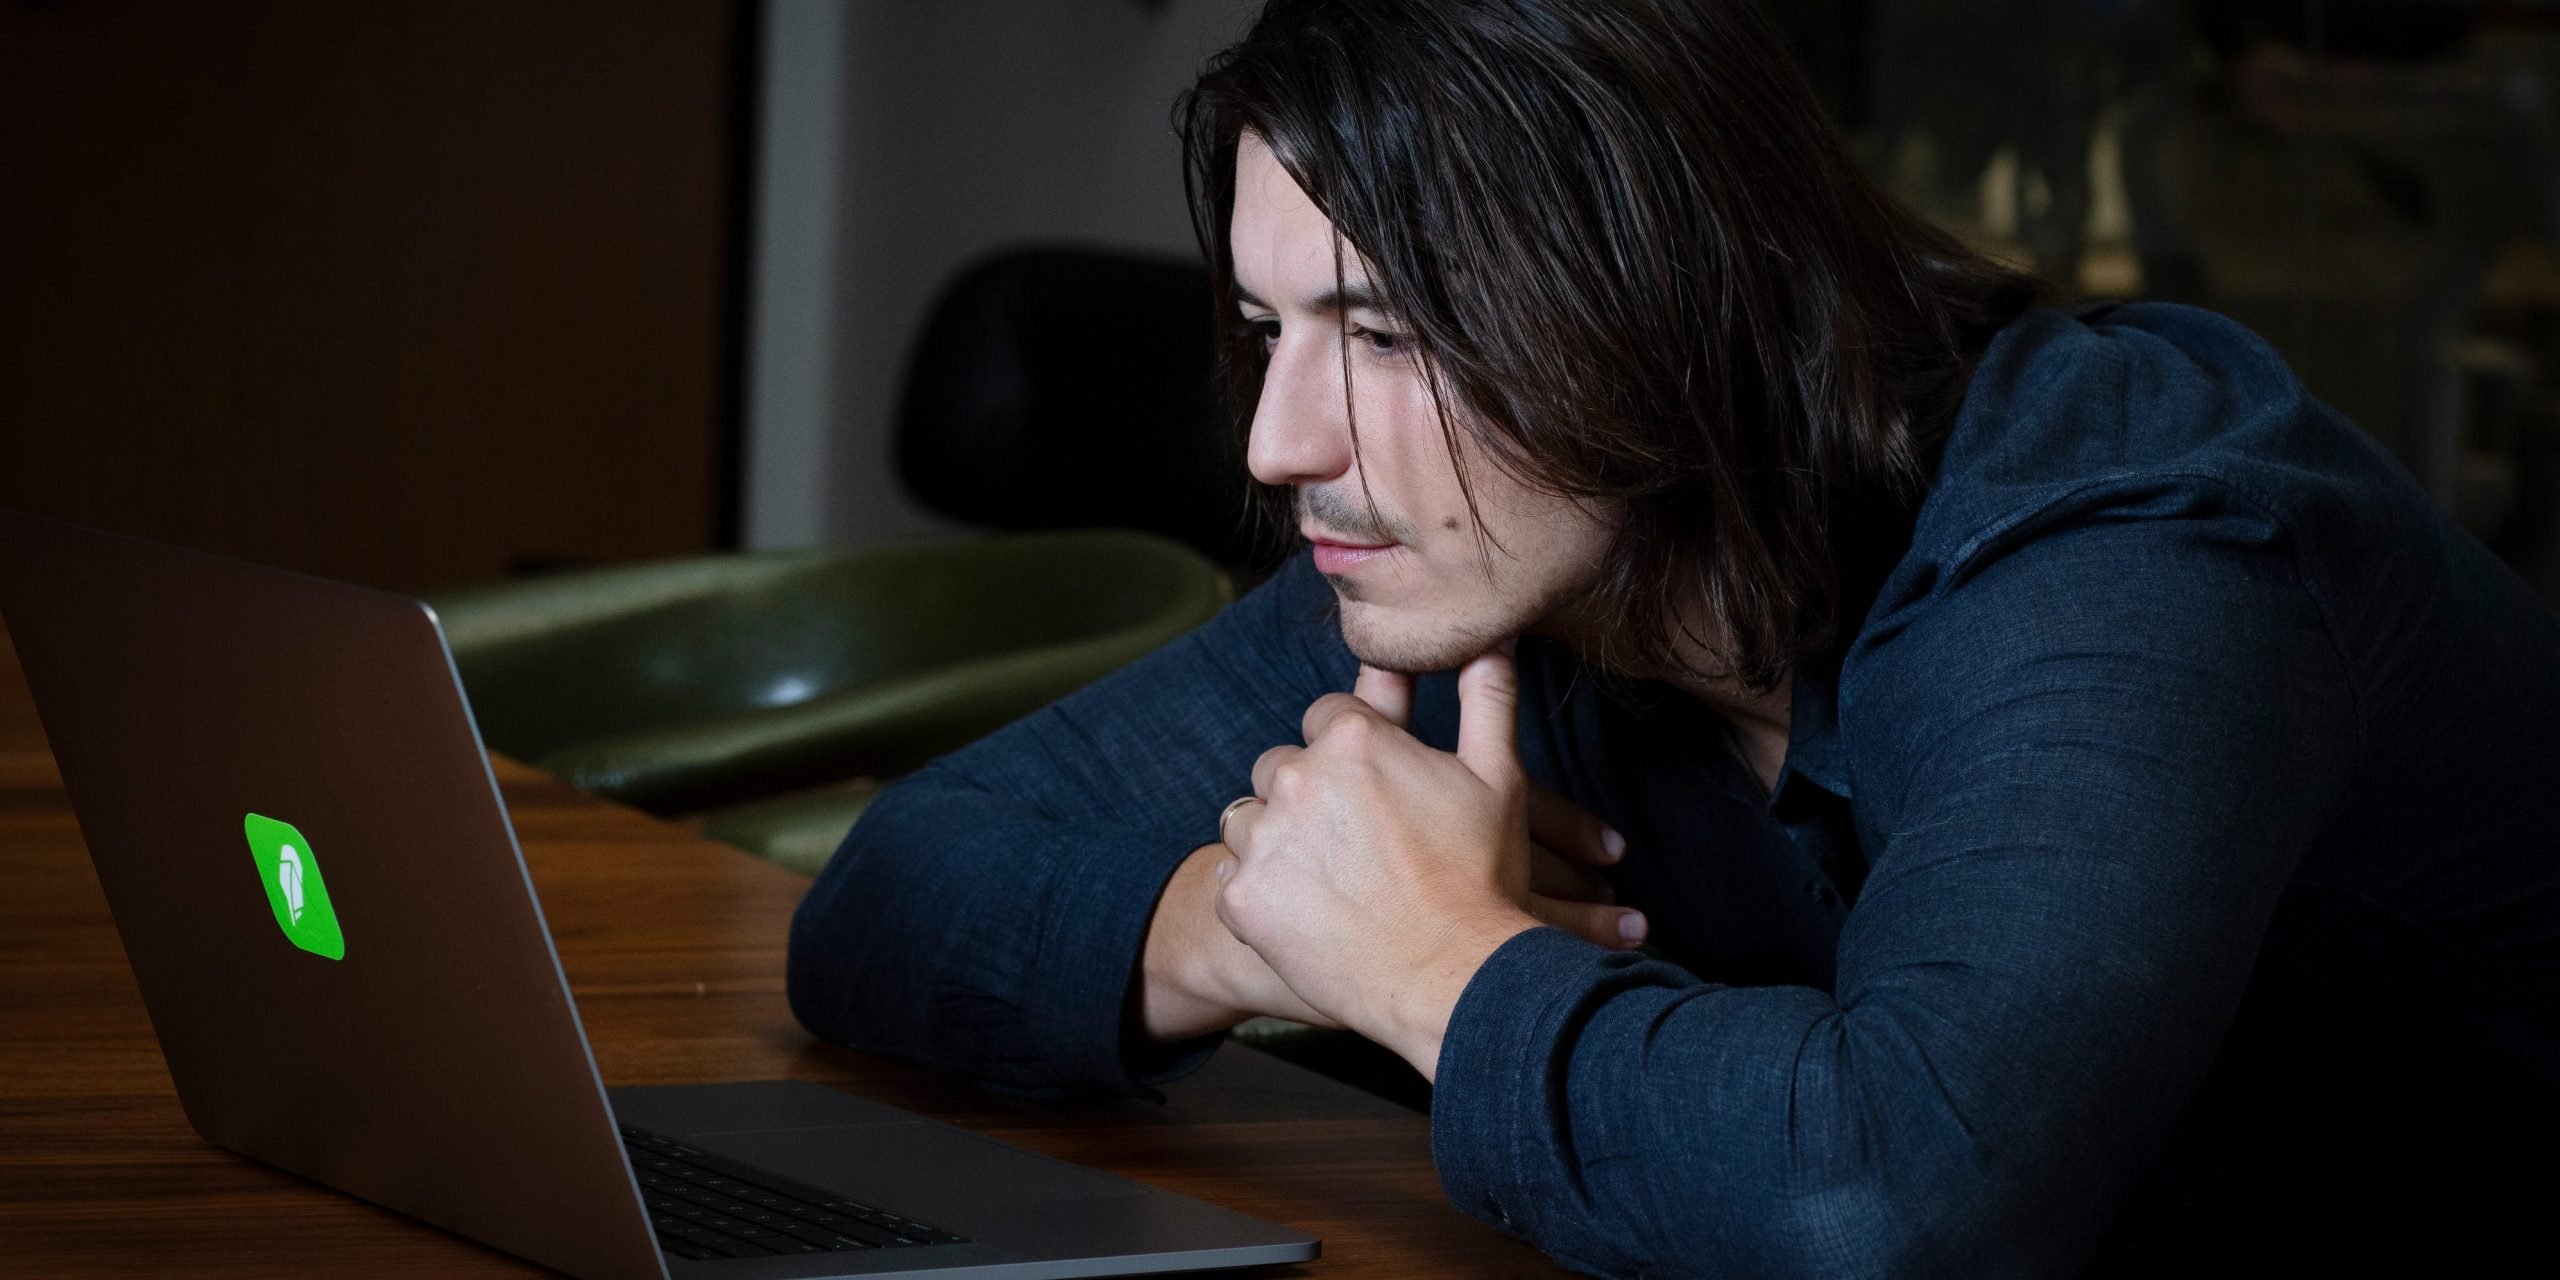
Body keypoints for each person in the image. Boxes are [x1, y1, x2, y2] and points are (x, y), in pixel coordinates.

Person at [787, 1, 2560, 1274]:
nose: (1277, 441)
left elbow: (1898, 1199)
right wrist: (1256, 931)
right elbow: (892, 892)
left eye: (1389, 331)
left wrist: (1427, 966)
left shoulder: (2129, 549)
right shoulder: (1508, 573)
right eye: (1269, 328)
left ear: (1658, 302)